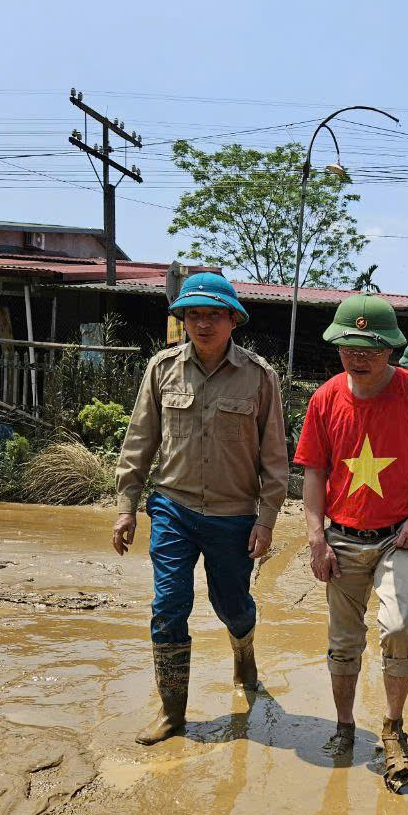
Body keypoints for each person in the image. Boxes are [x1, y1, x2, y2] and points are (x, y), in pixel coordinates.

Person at [113, 270, 289, 745]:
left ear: (234, 320)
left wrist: (266, 520)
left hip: (233, 514)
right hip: (173, 507)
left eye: (214, 315)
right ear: (183, 320)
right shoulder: (161, 369)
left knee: (231, 604)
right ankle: (173, 714)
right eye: (193, 315)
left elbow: (275, 459)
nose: (203, 324)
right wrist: (127, 505)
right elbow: (139, 442)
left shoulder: (259, 376)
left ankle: (243, 652)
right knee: (169, 605)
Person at [294, 294, 408, 792]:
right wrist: (316, 540)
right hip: (340, 539)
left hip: (397, 538)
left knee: (399, 624)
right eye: (349, 346)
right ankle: (344, 727)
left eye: (370, 348)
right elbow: (314, 473)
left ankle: (392, 727)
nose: (358, 357)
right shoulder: (323, 399)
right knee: (343, 644)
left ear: (391, 349)